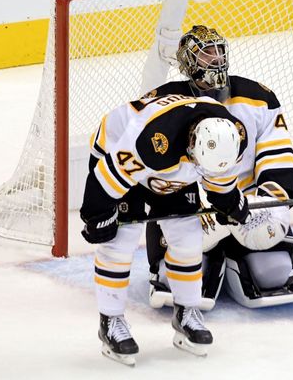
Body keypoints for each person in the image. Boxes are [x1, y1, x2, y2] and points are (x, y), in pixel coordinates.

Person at [140, 0, 293, 311]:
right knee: (182, 274)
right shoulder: (163, 102)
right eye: (207, 55)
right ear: (188, 63)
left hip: (246, 207)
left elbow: (280, 159)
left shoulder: (258, 97)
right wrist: (193, 209)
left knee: (273, 271)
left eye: (219, 51)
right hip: (192, 211)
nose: (216, 60)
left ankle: (242, 259)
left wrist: (269, 205)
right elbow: (152, 169)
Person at [79, 92, 250, 365]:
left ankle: (187, 313)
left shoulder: (232, 138)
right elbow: (104, 182)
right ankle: (110, 321)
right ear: (192, 144)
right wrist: (96, 216)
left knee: (188, 236)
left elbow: (220, 184)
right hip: (116, 148)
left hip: (172, 164)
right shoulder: (151, 141)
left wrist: (231, 204)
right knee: (119, 240)